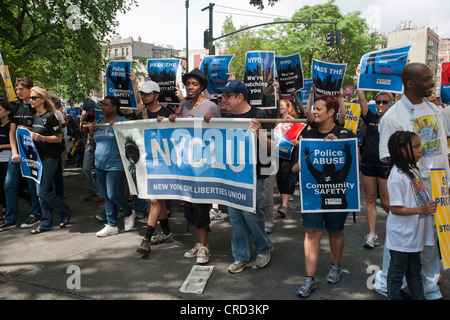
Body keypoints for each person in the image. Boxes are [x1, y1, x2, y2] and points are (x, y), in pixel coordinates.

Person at [375, 63, 450, 300]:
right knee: (403, 239)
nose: (432, 82)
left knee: (430, 240)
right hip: (412, 184)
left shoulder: (436, 110)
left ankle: (428, 286)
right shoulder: (393, 116)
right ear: (410, 83)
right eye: (427, 79)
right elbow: (389, 157)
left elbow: (442, 148)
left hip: (439, 183)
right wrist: (398, 190)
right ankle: (388, 282)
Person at [293, 94, 357, 298]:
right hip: (313, 196)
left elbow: (354, 162)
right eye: (314, 109)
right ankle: (309, 279)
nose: (314, 111)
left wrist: (337, 144)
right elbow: (302, 165)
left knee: (335, 231)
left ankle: (335, 266)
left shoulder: (345, 134)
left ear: (331, 112)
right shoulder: (308, 135)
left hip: (339, 196)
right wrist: (298, 164)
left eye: (319, 109)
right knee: (311, 233)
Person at [215, 79, 273, 273]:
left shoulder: (259, 115)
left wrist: (259, 134)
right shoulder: (227, 117)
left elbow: (272, 149)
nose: (224, 100)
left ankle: (264, 247)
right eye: (223, 96)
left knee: (250, 212)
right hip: (232, 174)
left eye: (227, 96)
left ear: (240, 97)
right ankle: (241, 256)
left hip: (253, 174)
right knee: (235, 215)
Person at [165, 69, 221, 265]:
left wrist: (211, 123)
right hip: (186, 164)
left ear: (202, 87)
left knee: (200, 206)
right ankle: (199, 242)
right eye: (188, 83)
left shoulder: (211, 106)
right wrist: (173, 120)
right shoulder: (184, 107)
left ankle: (205, 246)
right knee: (188, 205)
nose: (190, 87)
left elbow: (221, 133)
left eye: (194, 84)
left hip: (203, 166)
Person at [386, 131, 436, 300]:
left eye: (419, 146)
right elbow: (395, 208)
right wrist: (421, 210)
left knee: (415, 272)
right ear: (401, 150)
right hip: (401, 237)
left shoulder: (412, 170)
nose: (420, 150)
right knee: (396, 274)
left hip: (414, 235)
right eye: (415, 147)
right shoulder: (396, 175)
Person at [135, 80, 175, 255]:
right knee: (159, 200)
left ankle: (147, 239)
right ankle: (166, 232)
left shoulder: (167, 113)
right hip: (147, 163)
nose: (143, 97)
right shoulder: (140, 116)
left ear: (156, 95)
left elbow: (177, 137)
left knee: (154, 199)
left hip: (164, 163)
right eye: (142, 94)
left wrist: (170, 121)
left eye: (147, 94)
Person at [27, 87, 72, 234]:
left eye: (34, 98)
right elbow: (36, 134)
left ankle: (65, 211)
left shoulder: (51, 116)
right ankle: (46, 223)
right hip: (37, 158)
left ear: (42, 99)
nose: (31, 100)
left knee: (43, 192)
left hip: (50, 158)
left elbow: (59, 138)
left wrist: (42, 138)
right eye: (31, 98)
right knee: (41, 192)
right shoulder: (34, 117)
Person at [88, 96, 135, 237]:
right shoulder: (100, 123)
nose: (102, 108)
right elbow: (94, 144)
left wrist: (119, 131)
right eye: (102, 105)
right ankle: (111, 224)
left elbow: (130, 142)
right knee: (108, 195)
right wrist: (91, 133)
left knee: (113, 193)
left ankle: (128, 212)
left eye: (106, 105)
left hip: (116, 164)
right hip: (100, 164)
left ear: (114, 107)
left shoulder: (122, 122)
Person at [356, 66, 392, 248]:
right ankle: (372, 234)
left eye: (385, 102)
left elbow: (401, 97)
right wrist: (359, 77)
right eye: (378, 101)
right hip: (369, 163)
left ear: (391, 103)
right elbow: (361, 97)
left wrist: (403, 71)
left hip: (386, 165)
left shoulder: (394, 117)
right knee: (370, 199)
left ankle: (396, 231)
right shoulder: (370, 117)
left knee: (386, 202)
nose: (381, 105)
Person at [0, 78, 42, 231]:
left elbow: (42, 129)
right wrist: (14, 151)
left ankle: (36, 213)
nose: (18, 91)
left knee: (32, 185)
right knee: (8, 184)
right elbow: (12, 132)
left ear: (30, 89)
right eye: (17, 89)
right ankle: (10, 218)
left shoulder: (35, 107)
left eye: (21, 89)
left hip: (32, 153)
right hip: (17, 153)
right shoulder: (15, 108)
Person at [276, 99, 299, 217]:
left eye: (282, 105)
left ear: (288, 107)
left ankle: (284, 205)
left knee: (285, 172)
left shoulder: (294, 122)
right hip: (276, 154)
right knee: (279, 176)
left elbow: (302, 137)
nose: (280, 107)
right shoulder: (275, 120)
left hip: (289, 155)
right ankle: (284, 202)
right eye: (278, 105)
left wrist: (298, 142)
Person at [81, 99, 105, 203]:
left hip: (100, 142)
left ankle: (101, 193)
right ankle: (92, 190)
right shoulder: (88, 116)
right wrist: (83, 124)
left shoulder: (103, 114)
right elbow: (83, 129)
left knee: (99, 170)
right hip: (90, 143)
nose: (89, 113)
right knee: (86, 169)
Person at [0, 101, 11, 218]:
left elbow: (14, 144)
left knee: (7, 185)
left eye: (0, 110)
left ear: (7, 112)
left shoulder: (11, 126)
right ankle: (5, 207)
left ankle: (8, 209)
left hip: (7, 159)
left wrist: (1, 147)